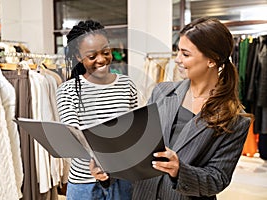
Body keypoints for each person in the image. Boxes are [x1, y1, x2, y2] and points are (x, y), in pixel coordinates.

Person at [131, 17, 254, 199]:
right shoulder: (162, 92)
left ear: (212, 60)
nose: (177, 60)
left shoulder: (235, 119)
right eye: (177, 51)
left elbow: (217, 179)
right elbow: (140, 145)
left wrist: (179, 170)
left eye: (185, 54)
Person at [56, 20, 138, 200]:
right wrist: (97, 164)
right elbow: (75, 138)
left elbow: (133, 129)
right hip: (84, 183)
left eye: (106, 52)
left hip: (123, 179)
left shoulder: (126, 84)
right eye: (92, 56)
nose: (101, 60)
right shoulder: (68, 90)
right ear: (78, 56)